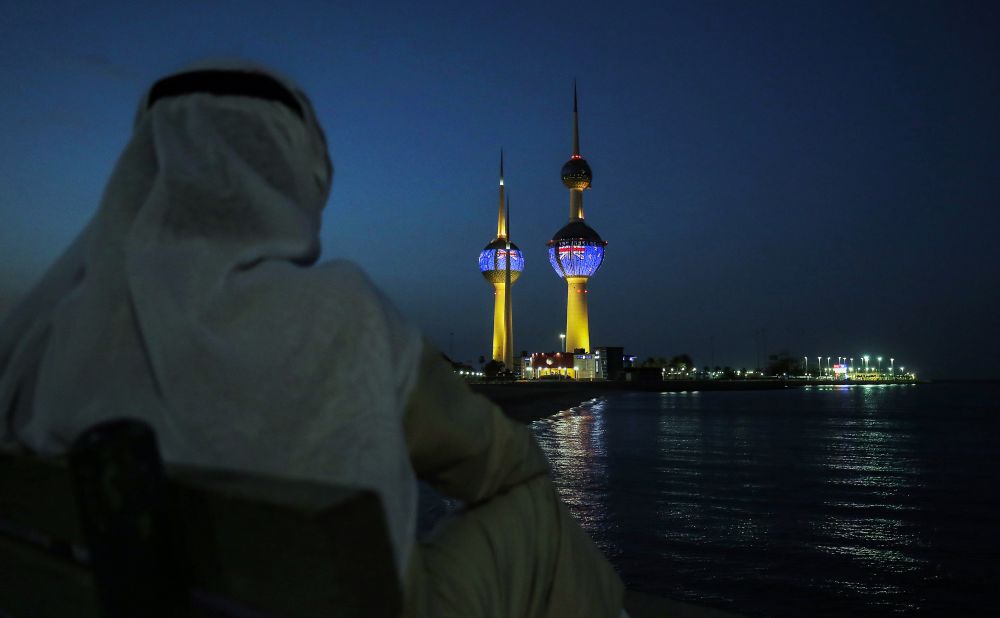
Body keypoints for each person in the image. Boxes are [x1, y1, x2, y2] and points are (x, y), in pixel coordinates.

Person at [0, 64, 625, 616]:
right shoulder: (340, 317)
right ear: (294, 177)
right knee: (534, 511)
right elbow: (500, 463)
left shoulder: (42, 340)